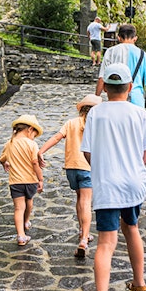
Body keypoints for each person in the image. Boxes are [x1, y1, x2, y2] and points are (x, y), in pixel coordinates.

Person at [81, 62, 146, 291]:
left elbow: (87, 152)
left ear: (107, 88)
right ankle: (140, 287)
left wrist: (105, 168)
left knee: (105, 243)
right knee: (132, 229)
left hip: (107, 184)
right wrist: (133, 167)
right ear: (129, 87)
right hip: (132, 183)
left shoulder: (96, 114)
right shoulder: (139, 114)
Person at [38, 93, 100, 257]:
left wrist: (41, 151)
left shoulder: (71, 123)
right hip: (87, 167)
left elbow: (56, 138)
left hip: (71, 168)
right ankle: (84, 239)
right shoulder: (97, 124)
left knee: (79, 199)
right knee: (86, 202)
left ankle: (82, 229)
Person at [0, 115, 44, 245]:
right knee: (29, 202)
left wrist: (5, 164)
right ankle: (26, 221)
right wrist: (40, 179)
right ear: (30, 129)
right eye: (34, 134)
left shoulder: (10, 143)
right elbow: (35, 163)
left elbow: (2, 159)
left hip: (15, 181)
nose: (34, 137)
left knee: (18, 208)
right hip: (30, 180)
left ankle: (21, 236)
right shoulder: (32, 144)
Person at [96, 23, 146, 121]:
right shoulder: (142, 54)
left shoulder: (110, 52)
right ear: (135, 38)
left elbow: (102, 78)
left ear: (118, 37)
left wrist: (96, 99)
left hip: (114, 99)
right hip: (136, 101)